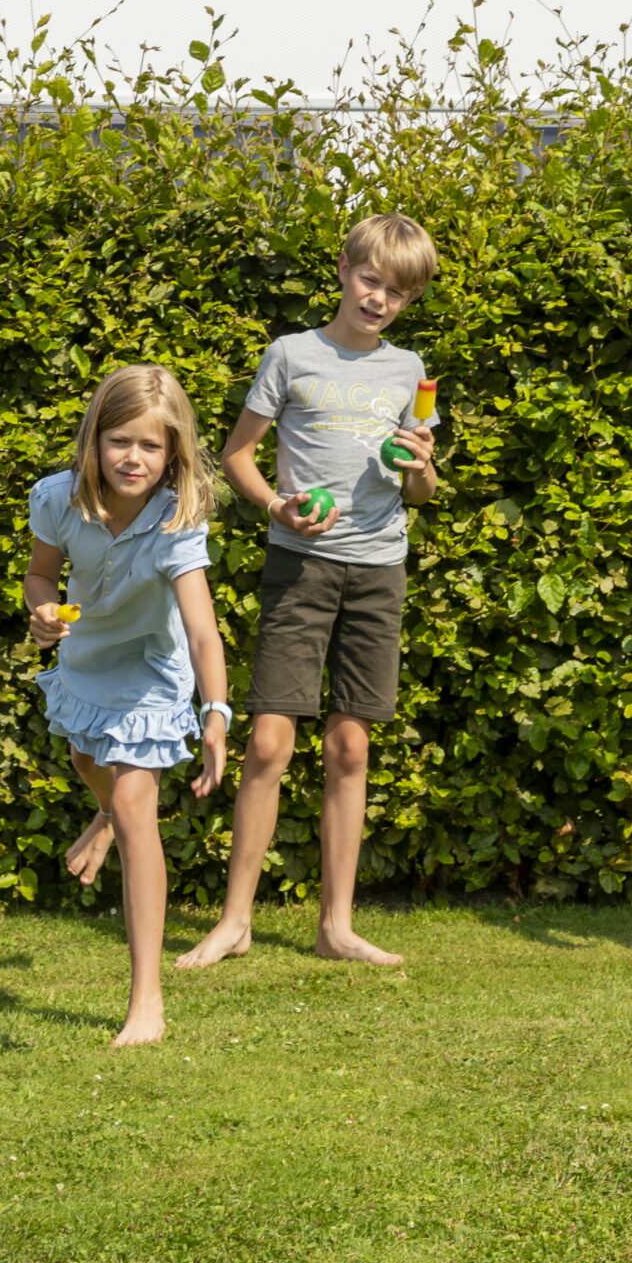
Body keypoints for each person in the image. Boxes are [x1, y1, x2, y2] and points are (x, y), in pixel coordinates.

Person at [180, 213, 440, 970]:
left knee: (350, 745)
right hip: (301, 565)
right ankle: (235, 922)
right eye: (371, 280)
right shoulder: (291, 354)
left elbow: (420, 490)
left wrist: (421, 466)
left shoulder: (409, 369)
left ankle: (336, 927)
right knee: (268, 741)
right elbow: (237, 454)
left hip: (378, 568)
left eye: (397, 292)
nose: (379, 300)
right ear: (344, 270)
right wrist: (277, 507)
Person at [23, 365, 231, 1046]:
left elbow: (201, 631)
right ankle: (107, 815)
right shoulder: (58, 499)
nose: (133, 457)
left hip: (150, 669)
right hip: (88, 657)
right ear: (94, 440)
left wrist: (216, 712)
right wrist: (42, 613)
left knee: (137, 804)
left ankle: (146, 1002)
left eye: (150, 445)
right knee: (87, 759)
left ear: (172, 452)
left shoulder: (176, 520)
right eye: (119, 441)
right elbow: (40, 576)